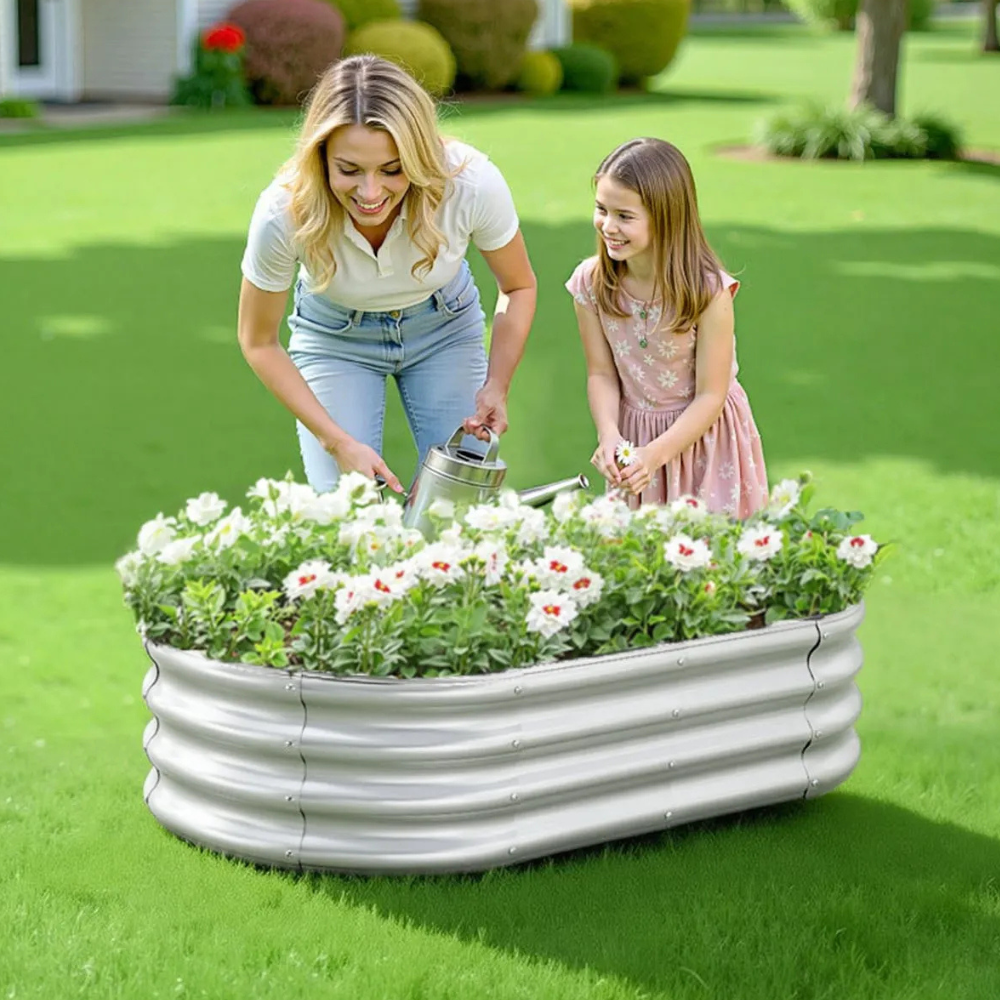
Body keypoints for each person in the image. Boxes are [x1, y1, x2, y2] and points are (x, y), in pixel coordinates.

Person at [238, 56, 536, 494]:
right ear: (320, 157)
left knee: (461, 502)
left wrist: (497, 385)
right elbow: (258, 341)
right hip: (335, 338)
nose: (371, 193)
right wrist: (335, 440)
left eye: (392, 170)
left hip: (445, 328)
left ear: (419, 156)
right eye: (349, 170)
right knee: (347, 506)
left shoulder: (470, 183)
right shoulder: (282, 212)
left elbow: (518, 285)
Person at [565, 137, 768, 517]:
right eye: (601, 209)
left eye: (624, 216)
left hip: (706, 441)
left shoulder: (707, 292)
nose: (608, 226)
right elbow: (601, 373)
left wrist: (654, 455)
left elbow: (712, 394)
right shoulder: (591, 284)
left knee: (710, 560)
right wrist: (609, 433)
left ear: (667, 217)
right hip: (635, 442)